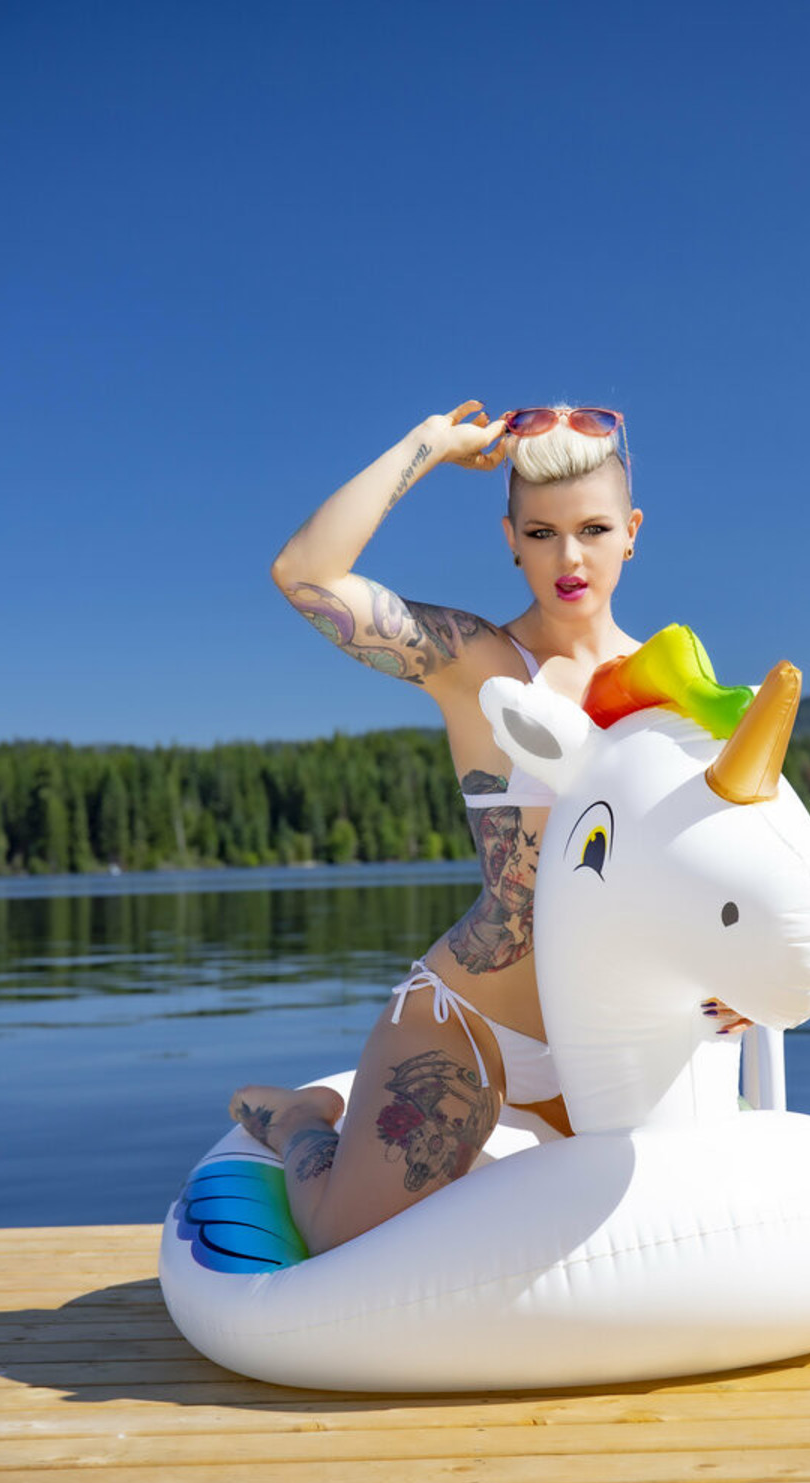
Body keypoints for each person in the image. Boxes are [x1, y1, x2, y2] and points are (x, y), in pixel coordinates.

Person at [229, 401, 751, 1253]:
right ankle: (296, 1120)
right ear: (510, 538)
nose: (569, 558)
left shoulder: (676, 685)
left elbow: (718, 863)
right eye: (542, 534)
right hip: (478, 1026)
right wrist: (428, 445)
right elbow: (305, 575)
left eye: (593, 529)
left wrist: (736, 975)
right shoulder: (476, 662)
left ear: (632, 534)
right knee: (339, 1239)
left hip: (627, 1034)